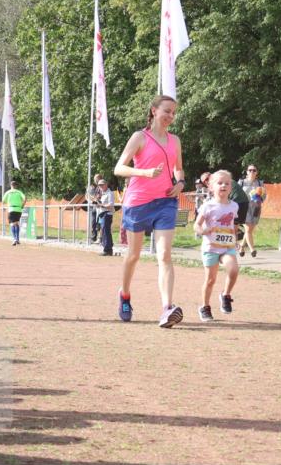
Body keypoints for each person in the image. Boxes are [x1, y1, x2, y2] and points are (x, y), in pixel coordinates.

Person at [113, 95, 186, 327]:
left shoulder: (175, 141)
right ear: (154, 111)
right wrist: (144, 173)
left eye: (173, 112)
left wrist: (180, 184)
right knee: (134, 256)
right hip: (138, 203)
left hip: (165, 202)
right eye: (166, 111)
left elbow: (179, 170)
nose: (170, 116)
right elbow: (119, 168)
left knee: (164, 254)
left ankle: (167, 308)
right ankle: (124, 294)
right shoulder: (139, 137)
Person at [193, 170, 240, 322]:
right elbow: (196, 225)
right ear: (211, 187)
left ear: (231, 188)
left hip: (227, 246)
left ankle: (225, 295)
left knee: (233, 270)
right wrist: (202, 230)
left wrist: (236, 240)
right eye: (220, 183)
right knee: (210, 280)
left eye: (227, 183)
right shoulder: (208, 206)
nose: (224, 186)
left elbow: (232, 225)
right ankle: (205, 306)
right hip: (211, 247)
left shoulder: (234, 206)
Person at [237, 165, 265, 257]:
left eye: (254, 170)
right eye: (250, 170)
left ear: (257, 172)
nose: (252, 172)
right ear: (247, 172)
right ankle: (252, 249)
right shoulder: (241, 182)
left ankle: (241, 246)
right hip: (244, 207)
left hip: (256, 208)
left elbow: (264, 195)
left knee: (249, 230)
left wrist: (260, 197)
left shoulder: (260, 183)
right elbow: (236, 194)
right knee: (248, 228)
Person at [1, 181, 26, 245]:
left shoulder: (8, 192)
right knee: (17, 223)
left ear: (11, 186)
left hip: (11, 209)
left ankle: (14, 239)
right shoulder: (19, 192)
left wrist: (8, 202)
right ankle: (17, 239)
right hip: (18, 209)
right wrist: (22, 205)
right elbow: (25, 198)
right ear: (16, 186)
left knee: (12, 224)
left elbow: (3, 201)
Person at [97, 179, 115, 256]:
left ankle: (107, 249)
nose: (101, 186)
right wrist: (98, 201)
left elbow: (110, 205)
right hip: (103, 214)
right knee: (105, 231)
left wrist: (102, 205)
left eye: (102, 185)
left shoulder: (110, 193)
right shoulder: (103, 194)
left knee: (105, 230)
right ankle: (108, 249)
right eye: (99, 185)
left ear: (106, 184)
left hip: (108, 214)